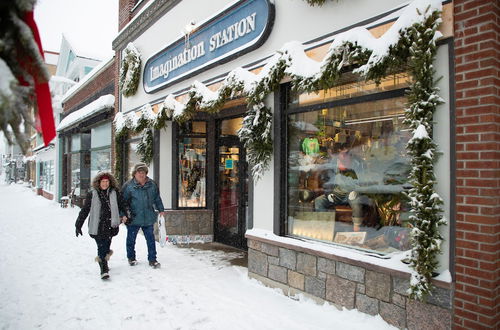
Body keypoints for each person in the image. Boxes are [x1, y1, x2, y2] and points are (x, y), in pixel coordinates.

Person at [75, 172, 128, 280]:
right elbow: (85, 210)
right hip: (97, 224)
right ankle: (103, 269)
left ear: (110, 182)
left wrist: (126, 214)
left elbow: (122, 205)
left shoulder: (115, 193)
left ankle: (104, 259)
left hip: (111, 225)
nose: (105, 183)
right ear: (98, 183)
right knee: (101, 246)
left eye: (107, 181)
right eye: (103, 181)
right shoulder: (92, 194)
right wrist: (78, 225)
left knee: (107, 245)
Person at [314, 142, 370, 230]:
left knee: (356, 204)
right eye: (341, 153)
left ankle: (356, 229)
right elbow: (327, 179)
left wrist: (357, 191)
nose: (343, 156)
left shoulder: (359, 163)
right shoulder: (333, 163)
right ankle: (325, 227)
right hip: (337, 192)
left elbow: (364, 180)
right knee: (319, 201)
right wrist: (329, 193)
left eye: (346, 153)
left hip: (352, 192)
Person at [122, 163, 165, 268]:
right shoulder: (128, 186)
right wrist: (123, 215)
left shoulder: (152, 185)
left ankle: (152, 259)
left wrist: (161, 209)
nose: (141, 174)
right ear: (134, 174)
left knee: (150, 240)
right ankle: (131, 258)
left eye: (143, 172)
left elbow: (157, 198)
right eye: (139, 172)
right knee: (131, 240)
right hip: (133, 218)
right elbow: (122, 202)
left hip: (148, 217)